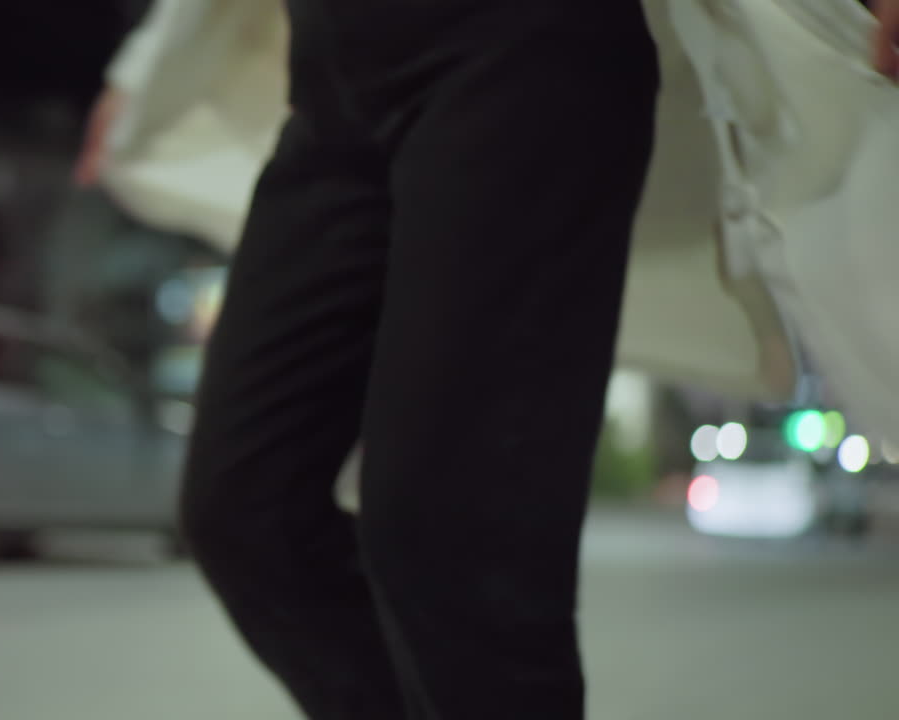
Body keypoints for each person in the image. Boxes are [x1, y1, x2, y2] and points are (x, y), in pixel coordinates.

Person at [75, 2, 899, 718]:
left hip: (520, 50)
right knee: (246, 513)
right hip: (331, 88)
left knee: (451, 538)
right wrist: (143, 68)